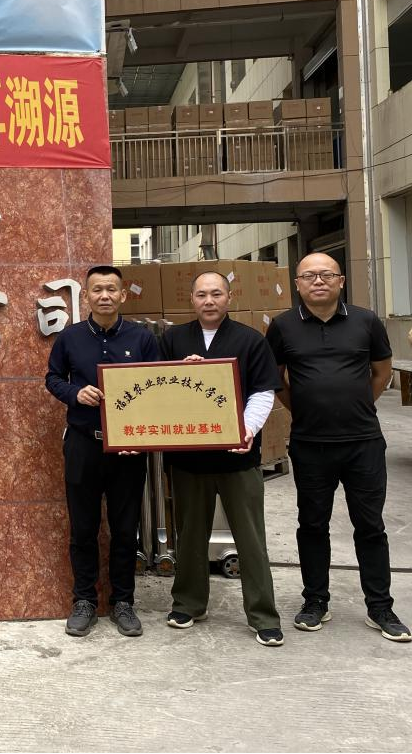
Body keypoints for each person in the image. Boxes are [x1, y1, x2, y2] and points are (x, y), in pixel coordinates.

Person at [265, 252, 411, 642]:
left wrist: (358, 405)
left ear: (341, 281)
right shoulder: (282, 326)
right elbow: (276, 379)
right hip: (310, 444)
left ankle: (380, 607)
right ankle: (315, 601)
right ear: (297, 284)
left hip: (363, 443)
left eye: (327, 274)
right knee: (312, 525)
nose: (318, 281)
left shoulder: (366, 321)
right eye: (309, 275)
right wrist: (305, 410)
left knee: (370, 525)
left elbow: (382, 371)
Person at [158, 271, 285, 646]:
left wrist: (247, 430)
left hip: (237, 459)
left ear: (229, 298)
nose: (209, 301)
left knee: (251, 539)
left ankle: (263, 615)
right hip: (189, 458)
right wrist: (180, 374)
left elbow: (262, 391)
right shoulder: (173, 340)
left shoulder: (250, 340)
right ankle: (188, 603)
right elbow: (156, 388)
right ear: (192, 300)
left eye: (216, 294)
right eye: (201, 295)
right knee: (189, 536)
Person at [45, 265, 158, 637]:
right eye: (97, 290)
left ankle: (123, 602)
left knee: (125, 529)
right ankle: (84, 601)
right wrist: (75, 393)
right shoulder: (70, 337)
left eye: (111, 289)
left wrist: (140, 435)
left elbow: (158, 386)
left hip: (129, 448)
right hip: (83, 443)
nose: (105, 295)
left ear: (123, 295)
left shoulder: (142, 338)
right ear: (86, 296)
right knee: (83, 528)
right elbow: (53, 378)